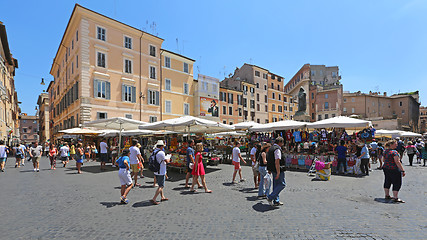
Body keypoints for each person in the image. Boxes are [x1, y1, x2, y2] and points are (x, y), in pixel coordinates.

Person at [266, 137, 286, 207]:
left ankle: (276, 201)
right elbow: (277, 161)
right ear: (280, 142)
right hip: (278, 169)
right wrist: (278, 172)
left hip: (273, 169)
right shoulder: (277, 149)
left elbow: (269, 159)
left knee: (276, 185)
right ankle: (270, 197)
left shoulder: (271, 148)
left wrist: (269, 169)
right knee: (282, 184)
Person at [151, 140, 171, 205]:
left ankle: (162, 197)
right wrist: (169, 158)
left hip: (156, 170)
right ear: (162, 146)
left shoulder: (154, 151)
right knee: (161, 186)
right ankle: (154, 198)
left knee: (160, 184)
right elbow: (166, 161)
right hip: (161, 170)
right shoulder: (161, 153)